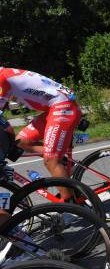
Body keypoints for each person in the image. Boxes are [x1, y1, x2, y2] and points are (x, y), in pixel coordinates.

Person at [0, 68, 81, 200]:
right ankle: (64, 161)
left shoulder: (2, 78)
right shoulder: (5, 74)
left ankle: (70, 205)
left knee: (50, 160)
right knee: (21, 142)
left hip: (62, 106)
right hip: (56, 106)